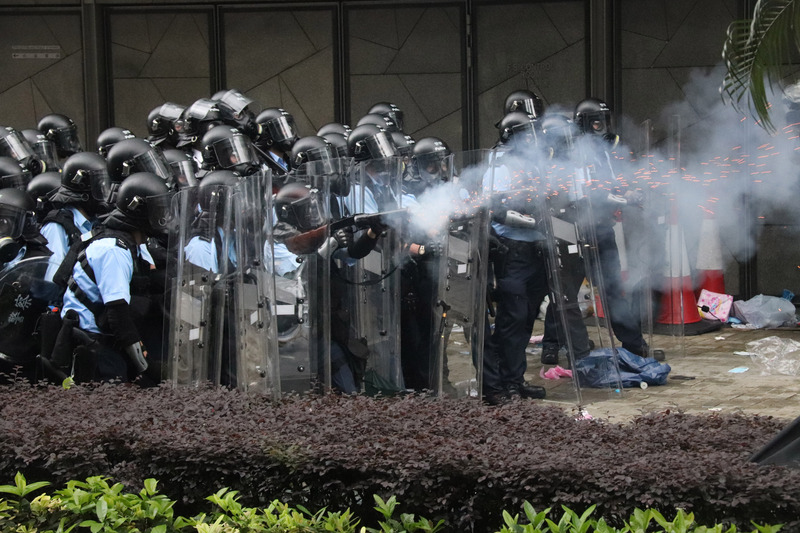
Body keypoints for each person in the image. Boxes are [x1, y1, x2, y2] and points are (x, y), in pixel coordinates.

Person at [56, 172, 172, 383]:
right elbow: (117, 316)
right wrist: (146, 367)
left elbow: (147, 284)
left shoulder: (134, 243)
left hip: (108, 336)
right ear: (139, 210)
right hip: (92, 342)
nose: (162, 216)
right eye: (158, 210)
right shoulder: (113, 249)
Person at [573, 97, 652, 358]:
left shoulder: (606, 150)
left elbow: (613, 183)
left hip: (602, 228)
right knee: (566, 294)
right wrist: (622, 198)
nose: (602, 127)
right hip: (576, 231)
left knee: (612, 288)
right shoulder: (573, 152)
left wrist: (630, 190)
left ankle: (634, 344)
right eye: (596, 123)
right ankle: (558, 345)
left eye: (604, 121)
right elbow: (585, 192)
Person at [482, 111, 547, 404]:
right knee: (513, 317)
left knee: (528, 317)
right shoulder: (500, 167)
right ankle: (503, 382)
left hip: (537, 249)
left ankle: (515, 379)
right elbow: (496, 209)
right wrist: (535, 222)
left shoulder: (534, 165)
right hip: (512, 251)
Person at [40, 152, 107, 281]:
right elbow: (51, 282)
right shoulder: (57, 226)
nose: (106, 195)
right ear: (84, 192)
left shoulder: (98, 222)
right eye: (101, 188)